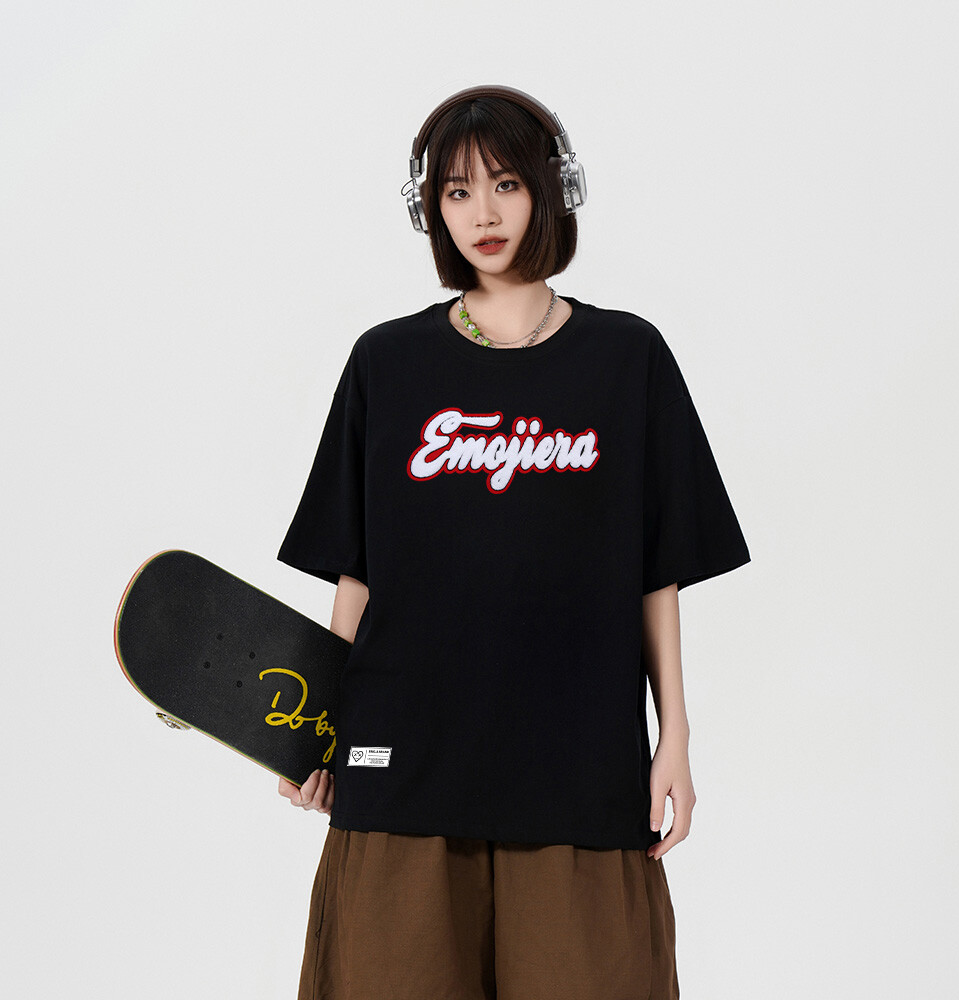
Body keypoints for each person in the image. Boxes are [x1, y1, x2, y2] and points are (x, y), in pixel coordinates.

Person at [275, 84, 750, 1000]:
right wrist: (317, 732)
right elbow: (355, 576)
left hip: (578, 769)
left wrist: (675, 736)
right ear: (430, 209)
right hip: (404, 769)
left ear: (550, 190)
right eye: (456, 192)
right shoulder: (385, 362)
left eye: (504, 184)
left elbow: (656, 573)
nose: (482, 215)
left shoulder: (628, 358)